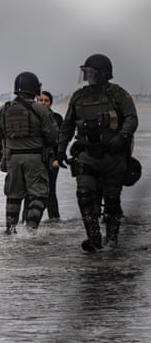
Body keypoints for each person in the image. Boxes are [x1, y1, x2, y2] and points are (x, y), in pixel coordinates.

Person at [57, 54, 138, 252]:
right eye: (86, 72)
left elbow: (131, 118)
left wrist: (122, 136)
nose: (87, 76)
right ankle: (93, 237)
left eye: (90, 72)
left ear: (103, 74)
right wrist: (60, 150)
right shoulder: (78, 97)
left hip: (113, 157)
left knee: (112, 199)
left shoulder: (119, 95)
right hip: (87, 154)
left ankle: (112, 239)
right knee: (84, 194)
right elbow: (67, 126)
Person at [0, 72, 58, 235]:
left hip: (12, 158)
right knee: (39, 194)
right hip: (35, 158)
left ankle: (10, 229)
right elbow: (53, 135)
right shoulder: (41, 110)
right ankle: (31, 229)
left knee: (13, 195)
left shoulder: (4, 109)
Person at [37, 90, 64, 221]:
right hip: (36, 159)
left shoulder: (57, 118)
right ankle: (29, 221)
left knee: (51, 190)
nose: (43, 103)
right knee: (33, 192)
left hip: (52, 158)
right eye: (41, 100)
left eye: (46, 100)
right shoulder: (32, 117)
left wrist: (58, 158)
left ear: (51, 103)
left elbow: (62, 140)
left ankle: (54, 219)